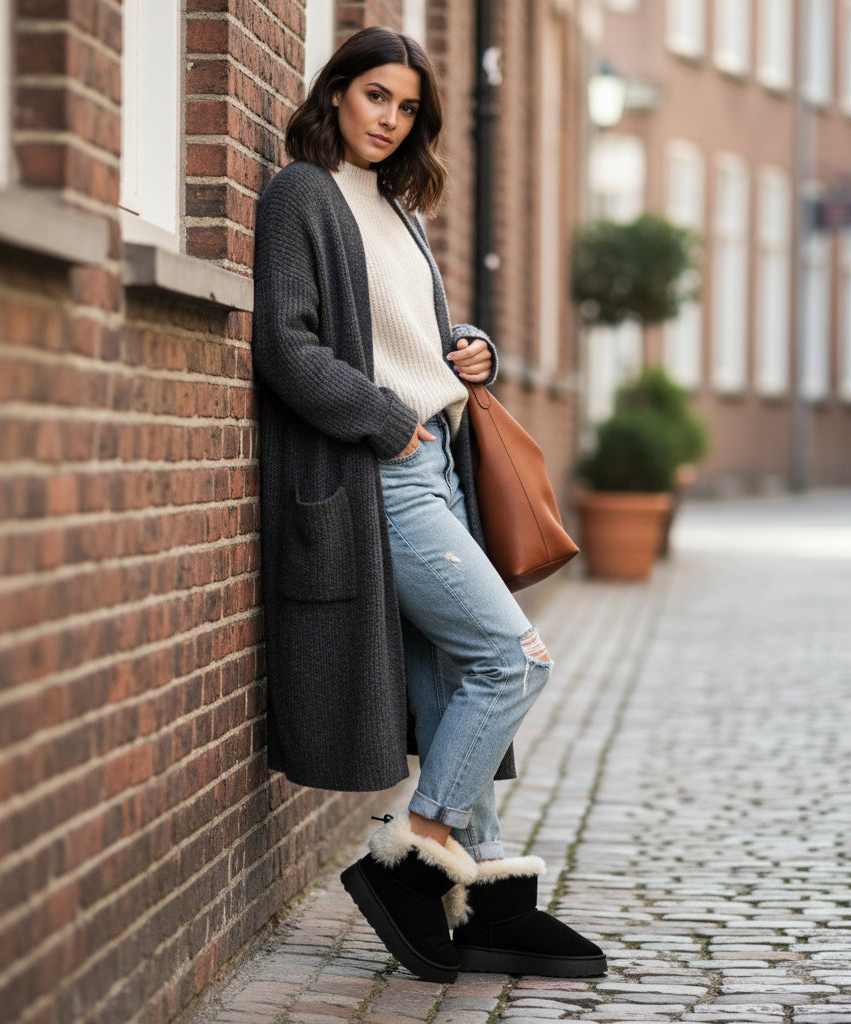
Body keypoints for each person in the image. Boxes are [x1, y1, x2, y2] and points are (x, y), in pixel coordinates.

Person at [251, 26, 605, 984]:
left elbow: (405, 331)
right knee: (510, 658)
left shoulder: (396, 207)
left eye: (407, 108)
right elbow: (288, 346)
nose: (391, 120)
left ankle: (487, 896)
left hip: (436, 463)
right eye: (376, 97)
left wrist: (470, 345)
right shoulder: (302, 196)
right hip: (386, 473)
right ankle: (416, 850)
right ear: (336, 93)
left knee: (454, 683)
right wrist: (386, 418)